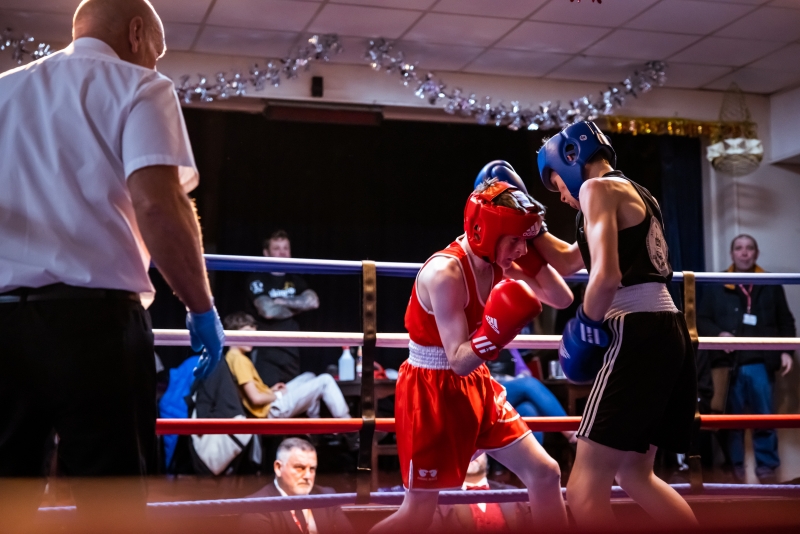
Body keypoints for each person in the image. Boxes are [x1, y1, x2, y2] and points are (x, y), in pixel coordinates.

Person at [0, 0, 223, 530]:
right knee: (112, 508)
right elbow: (158, 205)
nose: (155, 63)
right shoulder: (141, 86)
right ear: (136, 32)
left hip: (4, 323)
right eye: (156, 53)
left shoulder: (4, 89)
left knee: (6, 499)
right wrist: (201, 308)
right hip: (96, 328)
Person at [371, 179, 574, 533]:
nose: (520, 250)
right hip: (431, 390)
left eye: (523, 242)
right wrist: (496, 333)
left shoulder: (498, 258)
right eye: (515, 241)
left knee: (545, 474)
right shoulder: (445, 273)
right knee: (417, 514)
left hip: (476, 383)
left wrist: (532, 241)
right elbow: (458, 360)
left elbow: (562, 298)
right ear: (486, 232)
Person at [535, 120, 698, 529]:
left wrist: (585, 324)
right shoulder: (637, 192)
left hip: (635, 330)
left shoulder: (595, 189)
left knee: (583, 490)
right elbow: (570, 260)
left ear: (571, 161)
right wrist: (532, 228)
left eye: (559, 186)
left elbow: (605, 276)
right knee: (635, 474)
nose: (564, 198)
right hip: (669, 330)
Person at [697, 234, 796, 483]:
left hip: (761, 362)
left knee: (765, 419)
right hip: (727, 365)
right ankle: (735, 468)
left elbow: (785, 320)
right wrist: (719, 334)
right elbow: (701, 319)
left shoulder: (770, 283)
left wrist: (786, 350)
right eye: (739, 248)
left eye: (749, 248)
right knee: (731, 421)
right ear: (732, 254)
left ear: (756, 253)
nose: (744, 252)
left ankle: (767, 469)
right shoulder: (717, 283)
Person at [224, 312, 350, 421]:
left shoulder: (232, 356)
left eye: (254, 335)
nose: (252, 339)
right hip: (271, 410)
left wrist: (271, 391)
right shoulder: (239, 360)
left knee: (309, 376)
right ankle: (350, 429)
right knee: (325, 380)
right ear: (232, 333)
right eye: (247, 333)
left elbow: (254, 391)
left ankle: (313, 428)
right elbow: (256, 398)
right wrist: (278, 395)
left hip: (270, 403)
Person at [246, 230, 320, 386]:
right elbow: (268, 311)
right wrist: (298, 306)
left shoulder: (295, 280)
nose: (282, 253)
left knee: (293, 394)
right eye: (277, 248)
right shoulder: (258, 279)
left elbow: (313, 302)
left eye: (286, 248)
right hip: (267, 351)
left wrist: (282, 301)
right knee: (270, 395)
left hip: (291, 350)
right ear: (266, 253)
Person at [240, 438, 354, 534]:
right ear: (278, 468)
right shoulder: (256, 505)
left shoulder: (326, 496)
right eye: (300, 468)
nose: (307, 476)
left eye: (312, 469)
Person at [434, 453, 531, 532]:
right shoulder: (441, 498)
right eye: (466, 451)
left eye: (476, 450)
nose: (471, 454)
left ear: (487, 457)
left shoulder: (514, 492)